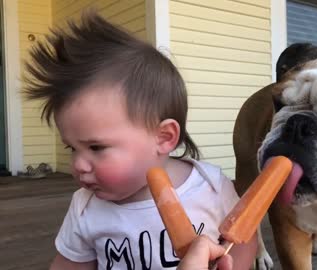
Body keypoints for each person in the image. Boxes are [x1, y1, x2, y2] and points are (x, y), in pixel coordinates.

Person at [23, 11, 257, 270]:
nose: (78, 165)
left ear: (164, 137)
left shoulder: (212, 188)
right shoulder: (85, 207)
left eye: (96, 147)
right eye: (72, 148)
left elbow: (242, 239)